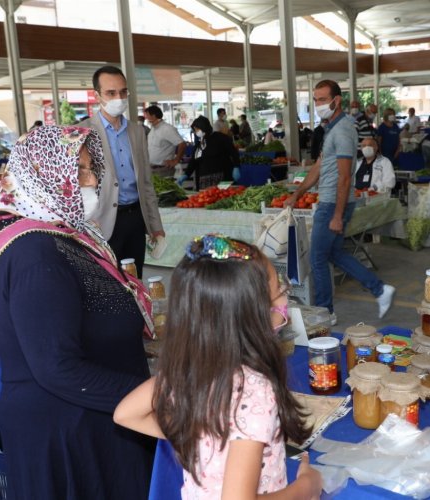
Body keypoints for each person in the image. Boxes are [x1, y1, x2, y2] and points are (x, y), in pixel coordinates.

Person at [0, 125, 156, 499]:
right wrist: (158, 397)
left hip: (97, 420)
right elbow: (57, 368)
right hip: (67, 433)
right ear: (41, 174)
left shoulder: (67, 237)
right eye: (78, 170)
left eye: (92, 169)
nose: (93, 180)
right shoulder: (34, 254)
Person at [114, 235, 322, 499]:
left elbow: (125, 413)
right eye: (279, 291)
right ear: (251, 315)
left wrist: (196, 438)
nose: (284, 300)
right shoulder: (255, 391)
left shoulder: (189, 369)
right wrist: (306, 486)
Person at [285, 80, 395, 325]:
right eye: (315, 100)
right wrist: (298, 193)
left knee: (317, 258)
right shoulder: (331, 129)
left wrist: (336, 214)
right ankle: (378, 289)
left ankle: (325, 312)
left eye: (322, 100)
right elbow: (318, 166)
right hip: (330, 201)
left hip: (334, 203)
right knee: (333, 253)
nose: (318, 105)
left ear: (337, 101)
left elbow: (346, 176)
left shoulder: (343, 130)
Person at [86, 65, 164, 279]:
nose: (118, 98)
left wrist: (156, 226)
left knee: (135, 280)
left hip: (135, 219)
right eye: (111, 93)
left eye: (122, 92)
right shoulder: (83, 132)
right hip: (101, 222)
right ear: (97, 95)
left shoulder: (137, 132)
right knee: (107, 282)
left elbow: (146, 183)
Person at [179, 116, 237, 190]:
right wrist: (186, 175)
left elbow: (233, 152)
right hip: (204, 180)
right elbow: (194, 161)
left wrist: (236, 166)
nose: (196, 132)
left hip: (223, 178)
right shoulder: (199, 144)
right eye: (195, 130)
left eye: (197, 129)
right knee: (207, 199)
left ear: (204, 127)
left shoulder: (221, 138)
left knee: (222, 197)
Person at [144, 105, 186, 178]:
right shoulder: (153, 129)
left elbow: (182, 144)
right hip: (152, 169)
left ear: (153, 116)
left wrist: (176, 160)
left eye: (147, 115)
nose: (146, 118)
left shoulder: (167, 129)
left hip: (163, 170)